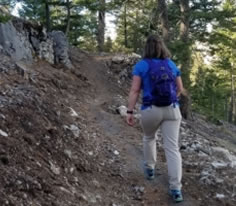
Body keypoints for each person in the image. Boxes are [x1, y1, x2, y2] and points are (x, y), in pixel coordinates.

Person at [126, 35, 184, 203]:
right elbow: (180, 88)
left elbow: (135, 91)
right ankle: (176, 188)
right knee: (172, 148)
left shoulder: (142, 65)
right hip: (172, 110)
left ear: (147, 48)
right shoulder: (171, 64)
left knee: (149, 137)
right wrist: (172, 99)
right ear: (162, 47)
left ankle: (150, 168)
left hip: (151, 109)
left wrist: (129, 112)